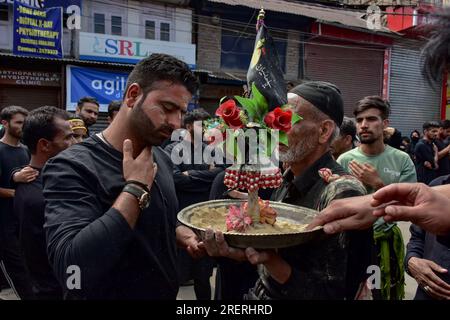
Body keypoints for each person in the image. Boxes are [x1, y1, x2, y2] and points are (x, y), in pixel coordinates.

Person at [42, 53, 202, 299]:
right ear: (133, 95)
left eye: (181, 112)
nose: (176, 123)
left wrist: (178, 234)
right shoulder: (71, 166)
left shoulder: (160, 157)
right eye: (167, 108)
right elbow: (72, 270)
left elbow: (147, 226)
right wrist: (135, 188)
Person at [204, 81, 372, 300]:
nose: (275, 129)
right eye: (275, 120)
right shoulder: (287, 178)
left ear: (323, 131)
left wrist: (269, 260)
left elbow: (329, 292)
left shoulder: (341, 192)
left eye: (287, 120)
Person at [14, 106, 75, 300]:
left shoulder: (57, 178)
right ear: (44, 145)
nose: (75, 143)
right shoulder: (36, 197)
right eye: (67, 138)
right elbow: (39, 259)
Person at [164, 108, 223, 300]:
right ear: (188, 126)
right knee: (174, 276)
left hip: (205, 221)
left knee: (203, 278)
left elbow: (220, 175)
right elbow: (175, 179)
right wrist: (205, 176)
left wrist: (190, 175)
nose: (206, 130)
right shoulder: (172, 150)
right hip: (180, 222)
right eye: (201, 126)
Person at [0, 106, 35, 299]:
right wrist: (16, 192)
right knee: (17, 272)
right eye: (19, 122)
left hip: (23, 221)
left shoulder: (26, 151)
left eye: (25, 123)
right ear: (5, 123)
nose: (23, 127)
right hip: (5, 224)